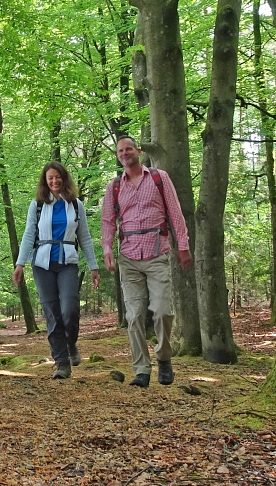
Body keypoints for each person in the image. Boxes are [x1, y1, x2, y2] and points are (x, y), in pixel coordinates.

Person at [101, 136, 192, 388]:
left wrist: (183, 246)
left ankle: (164, 358)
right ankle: (141, 369)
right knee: (134, 315)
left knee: (162, 311)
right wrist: (107, 248)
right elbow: (108, 220)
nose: (125, 153)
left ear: (138, 151)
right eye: (120, 150)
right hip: (128, 257)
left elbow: (175, 213)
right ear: (118, 156)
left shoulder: (158, 178)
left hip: (157, 253)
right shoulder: (114, 187)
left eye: (128, 148)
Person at [13, 161, 100, 379]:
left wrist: (93, 267)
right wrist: (20, 264)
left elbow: (85, 238)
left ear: (64, 178)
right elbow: (28, 235)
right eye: (50, 178)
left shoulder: (76, 205)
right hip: (42, 264)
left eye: (58, 177)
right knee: (52, 313)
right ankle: (61, 362)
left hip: (68, 262)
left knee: (69, 308)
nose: (54, 181)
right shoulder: (38, 205)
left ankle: (71, 344)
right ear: (45, 181)